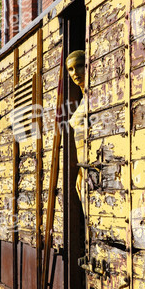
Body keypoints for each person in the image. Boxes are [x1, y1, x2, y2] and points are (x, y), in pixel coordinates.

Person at [66, 50, 86, 207]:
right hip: (84, 171)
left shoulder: (94, 96)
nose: (75, 73)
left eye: (79, 66)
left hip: (91, 170)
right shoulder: (83, 100)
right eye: (70, 69)